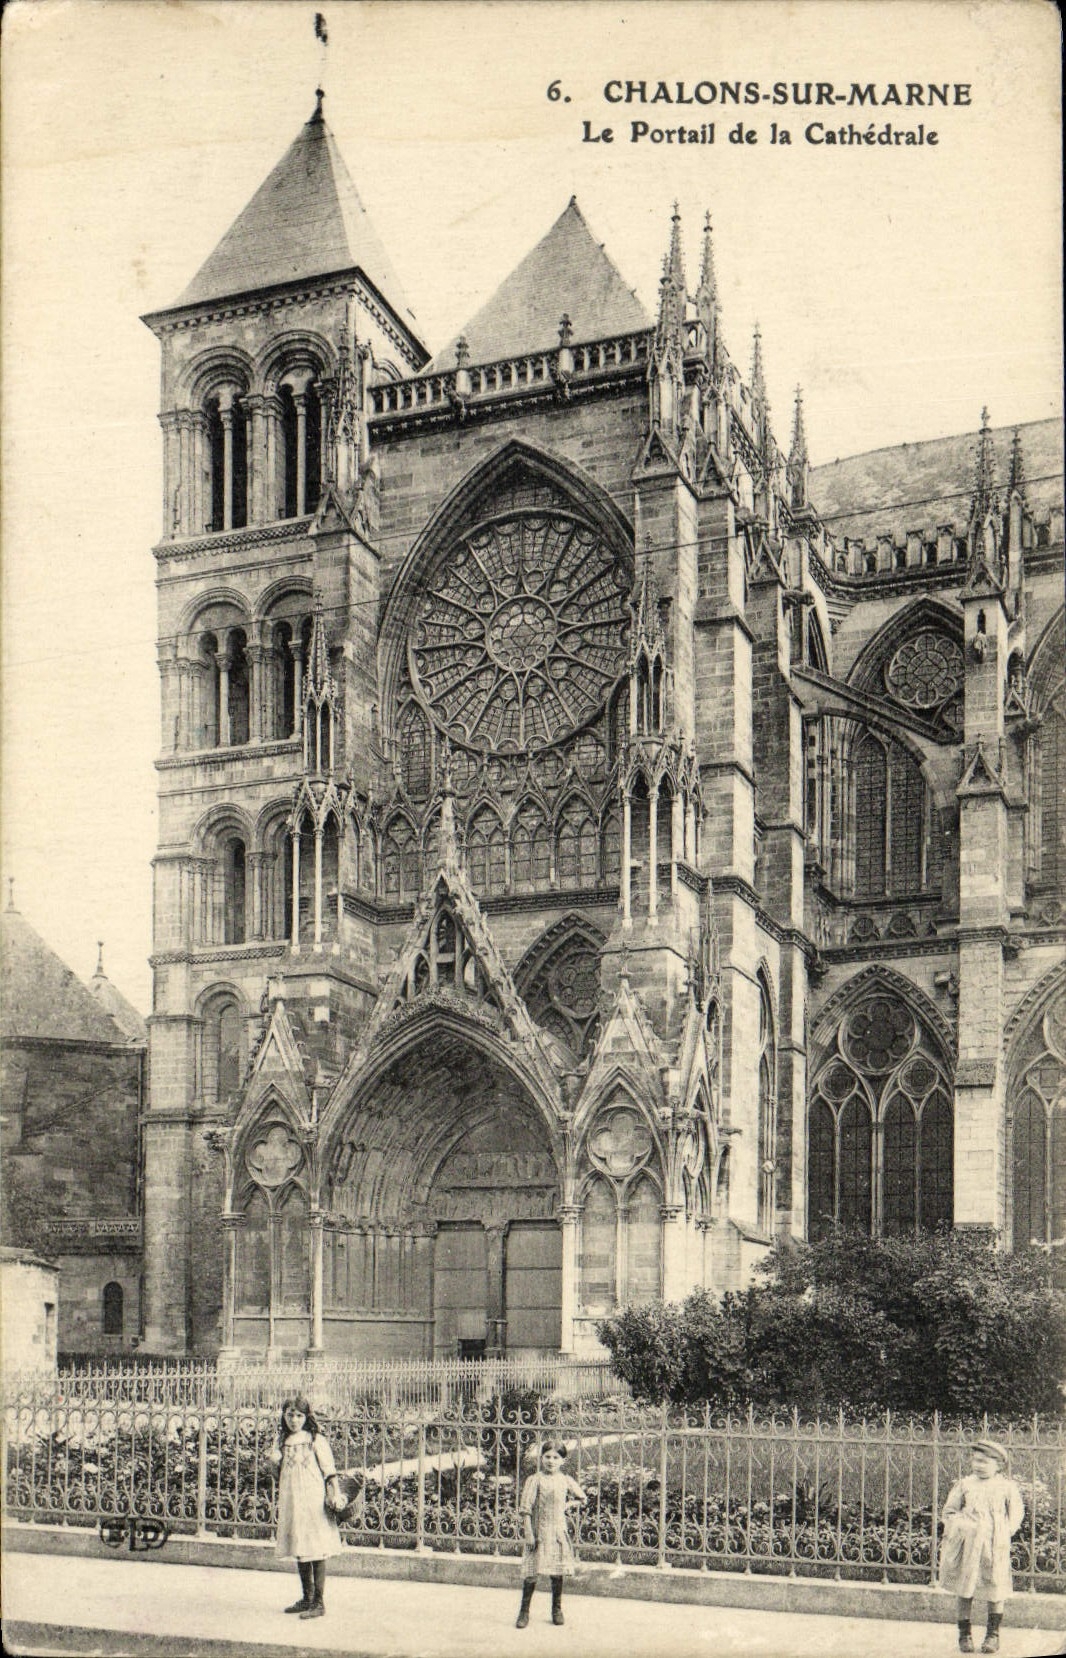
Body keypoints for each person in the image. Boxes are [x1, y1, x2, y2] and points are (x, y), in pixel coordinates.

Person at [938, 1438, 1025, 1654]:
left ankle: (992, 1635)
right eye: (976, 1460)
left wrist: (1005, 1533)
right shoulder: (965, 1484)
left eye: (984, 1462)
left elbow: (1016, 1514)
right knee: (965, 1588)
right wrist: (962, 1526)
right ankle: (964, 1634)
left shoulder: (1006, 1487)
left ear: (998, 1465)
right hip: (968, 1545)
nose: (978, 1465)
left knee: (995, 1587)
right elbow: (949, 1512)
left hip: (994, 1545)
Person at [268, 1395, 343, 1619]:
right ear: (283, 1416)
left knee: (316, 1547)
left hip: (312, 1499)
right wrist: (272, 1462)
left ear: (306, 1417)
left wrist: (335, 1493)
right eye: (290, 1414)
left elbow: (329, 1471)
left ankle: (319, 1602)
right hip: (292, 1499)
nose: (294, 1420)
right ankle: (306, 1597)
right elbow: (277, 1474)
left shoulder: (315, 1439)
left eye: (299, 1415)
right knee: (300, 1546)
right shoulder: (281, 1440)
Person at [516, 1441, 587, 1629]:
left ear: (563, 1461)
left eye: (556, 1457)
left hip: (557, 1533)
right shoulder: (534, 1479)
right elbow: (525, 1509)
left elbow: (582, 1498)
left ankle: (557, 1610)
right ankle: (524, 1612)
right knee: (531, 1573)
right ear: (541, 1458)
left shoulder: (565, 1480)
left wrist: (567, 1505)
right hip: (538, 1533)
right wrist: (529, 1533)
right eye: (547, 1456)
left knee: (557, 1573)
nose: (551, 1461)